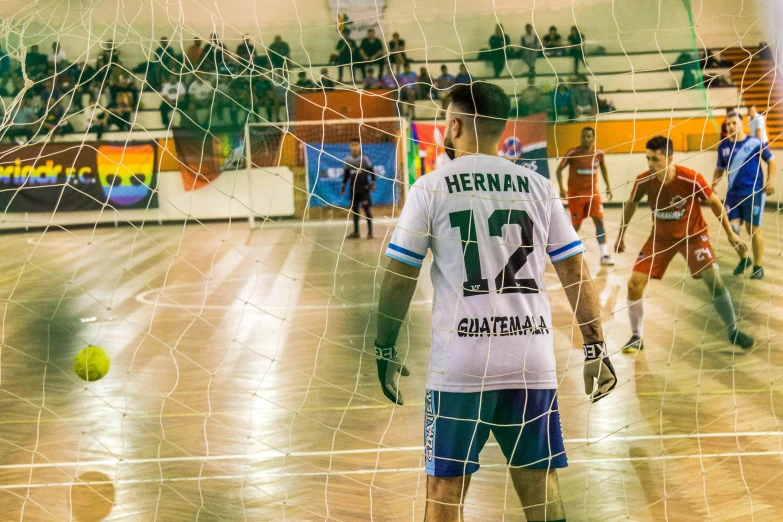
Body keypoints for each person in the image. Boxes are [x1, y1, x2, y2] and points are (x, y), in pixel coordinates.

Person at [373, 82, 617, 520]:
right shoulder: (538, 186)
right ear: (501, 129)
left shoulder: (431, 187)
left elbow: (398, 275)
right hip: (530, 359)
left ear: (455, 125)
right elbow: (576, 272)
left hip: (461, 364)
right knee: (541, 486)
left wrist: (385, 345)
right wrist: (596, 347)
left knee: (444, 491)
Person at [615, 136, 754, 353]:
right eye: (647, 159)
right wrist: (620, 235)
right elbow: (631, 204)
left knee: (715, 281)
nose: (650, 165)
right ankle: (636, 336)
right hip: (660, 239)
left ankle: (733, 330)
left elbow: (715, 203)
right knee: (634, 284)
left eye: (655, 160)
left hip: (693, 237)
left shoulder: (690, 178)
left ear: (670, 158)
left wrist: (730, 234)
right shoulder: (644, 180)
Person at [713, 112, 776, 279]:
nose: (731, 126)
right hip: (733, 195)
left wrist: (769, 182)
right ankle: (743, 258)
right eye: (728, 124)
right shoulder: (724, 147)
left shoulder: (755, 143)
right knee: (731, 231)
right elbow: (719, 168)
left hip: (753, 193)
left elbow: (771, 160)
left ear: (742, 124)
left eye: (734, 123)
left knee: (753, 230)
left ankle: (758, 266)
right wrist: (714, 184)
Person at [556, 127, 614, 266]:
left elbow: (604, 168)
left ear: (593, 138)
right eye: (584, 136)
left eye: (589, 136)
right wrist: (561, 188)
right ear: (581, 137)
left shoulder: (599, 153)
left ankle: (605, 255)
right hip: (576, 196)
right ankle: (565, 253)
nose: (586, 139)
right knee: (576, 227)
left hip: (593, 195)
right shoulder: (573, 152)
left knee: (599, 222)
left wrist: (608, 186)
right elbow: (559, 170)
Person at [340, 138, 376, 239]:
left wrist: (373, 182)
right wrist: (343, 186)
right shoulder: (348, 159)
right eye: (353, 145)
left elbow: (371, 171)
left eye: (356, 145)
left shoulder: (364, 158)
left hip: (364, 189)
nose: (355, 147)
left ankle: (370, 233)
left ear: (359, 146)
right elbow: (346, 175)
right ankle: (356, 232)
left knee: (366, 210)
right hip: (353, 189)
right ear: (350, 146)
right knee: (355, 210)